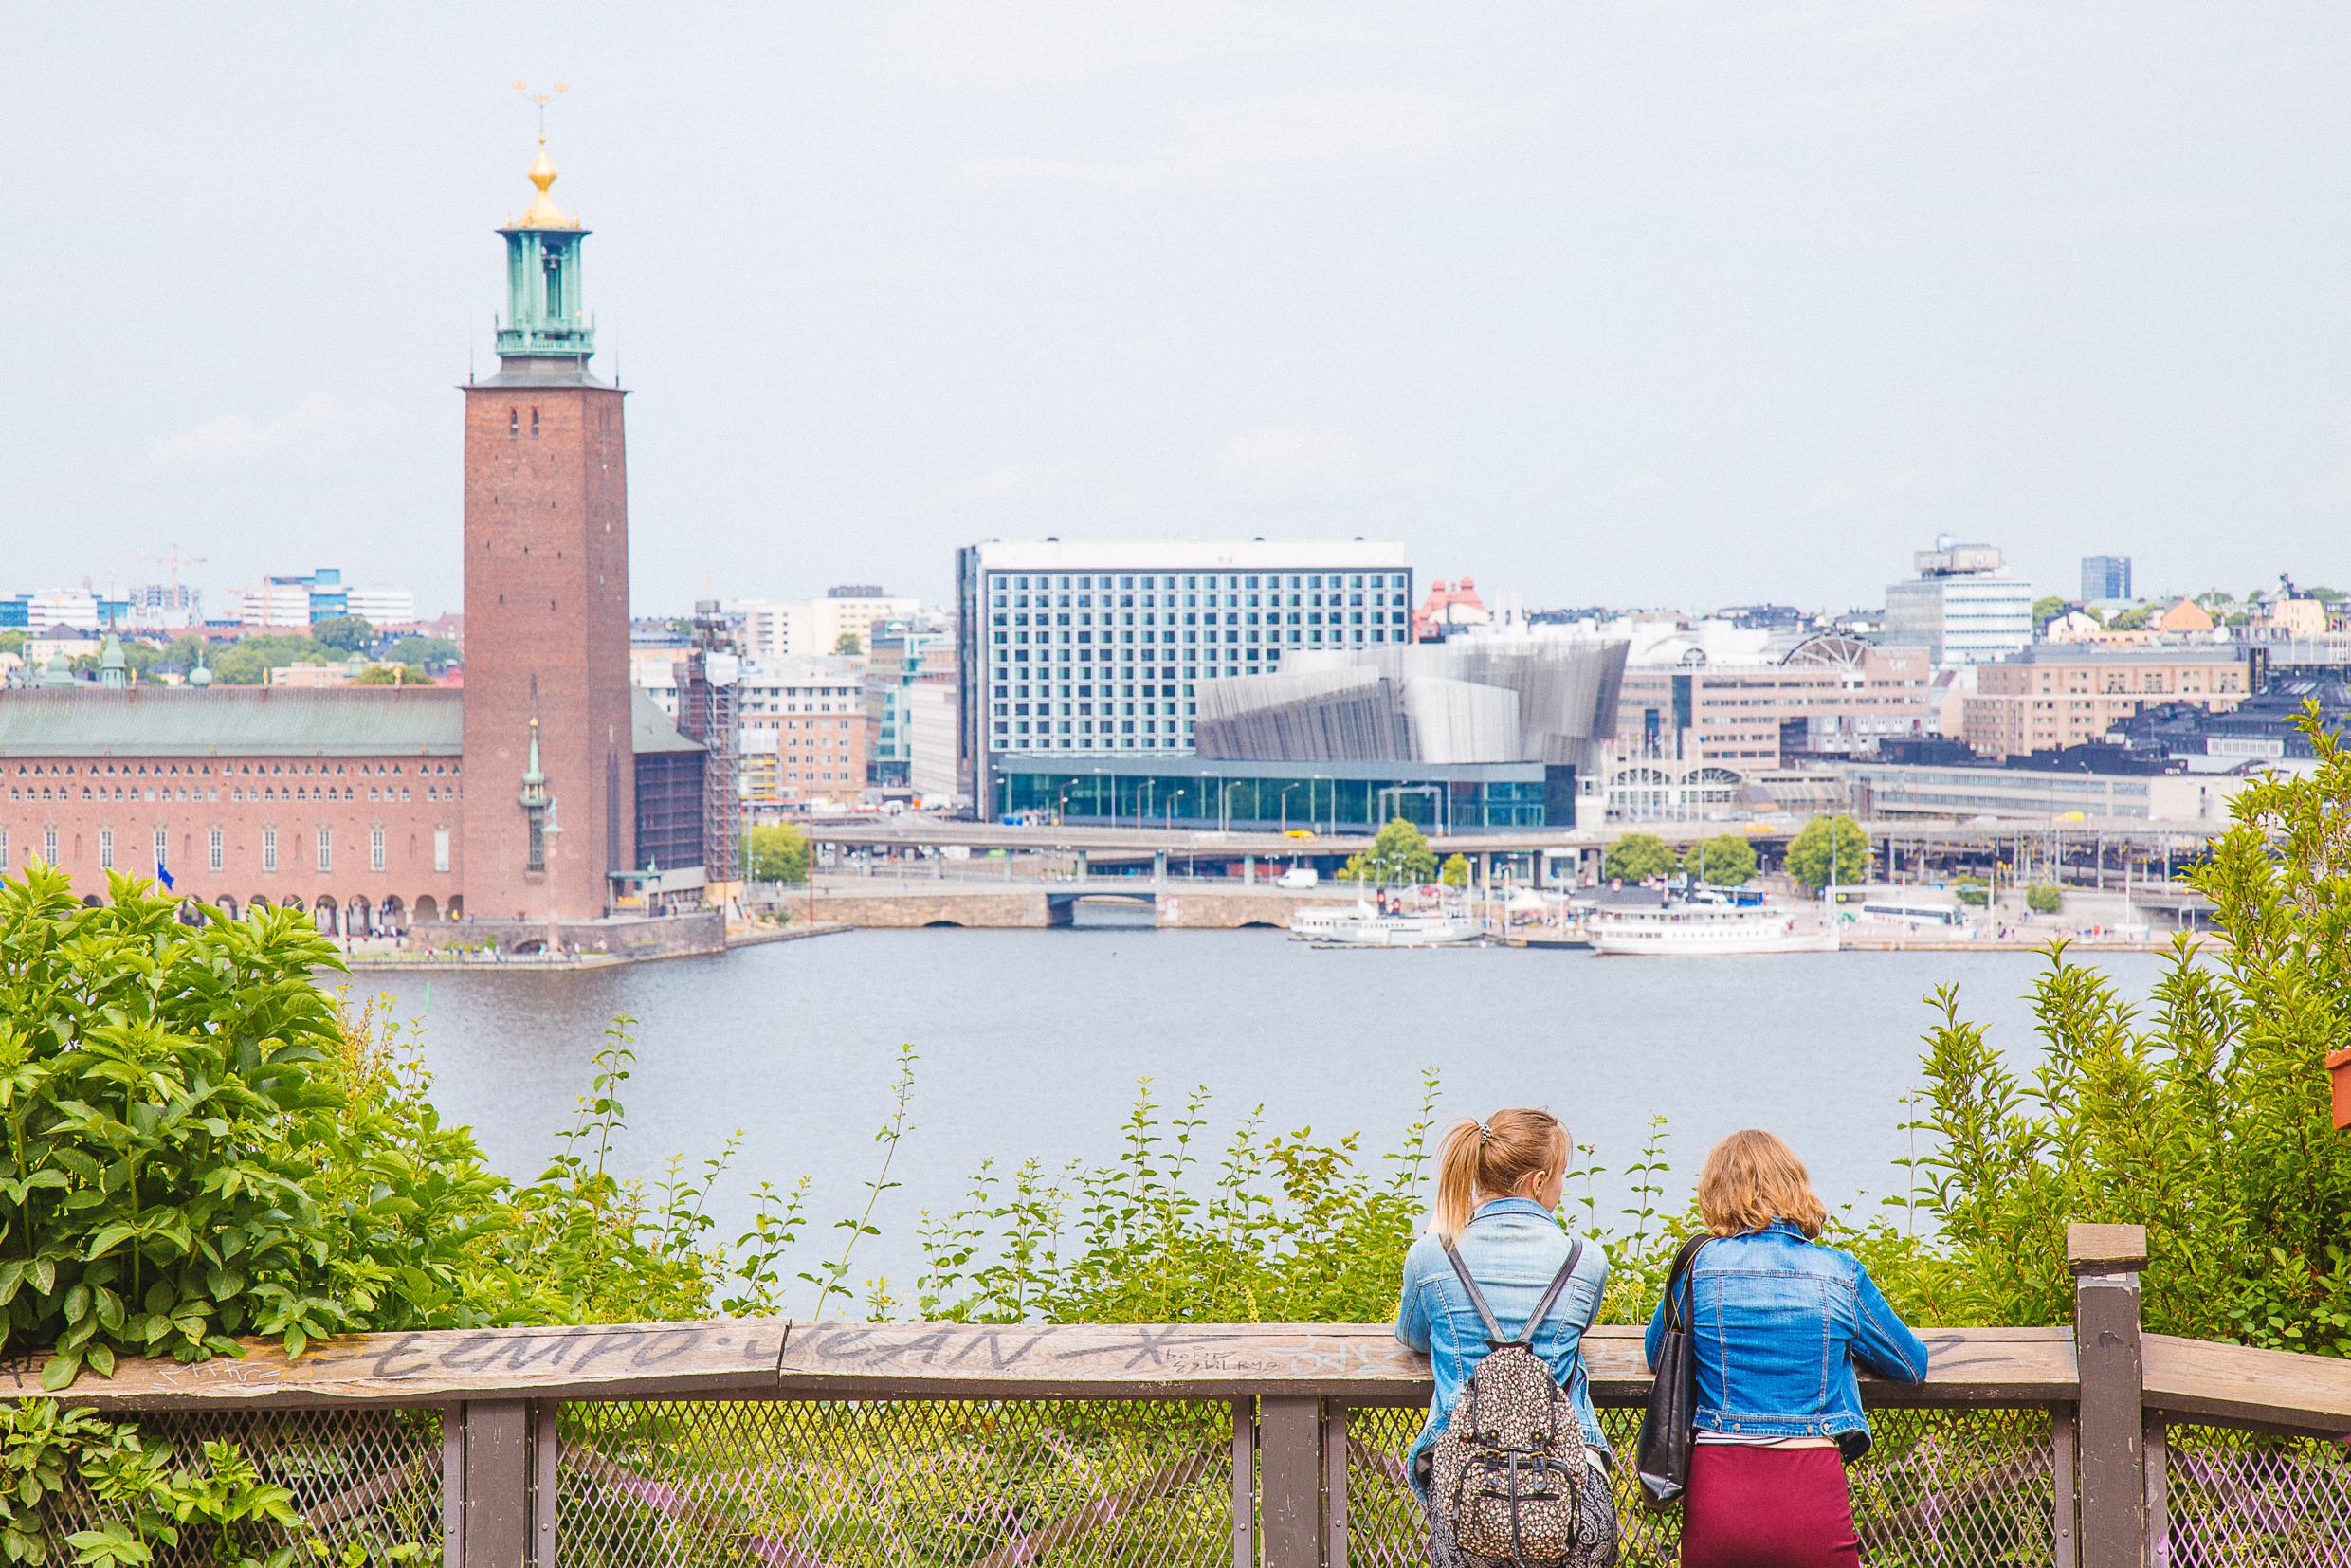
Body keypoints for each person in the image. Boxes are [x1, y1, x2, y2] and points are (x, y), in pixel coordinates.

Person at [1646, 1129, 1929, 1567]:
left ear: (1716, 1193)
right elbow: (1910, 1364)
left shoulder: (1697, 1266)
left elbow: (1657, 1355)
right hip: (1810, 1487)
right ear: (1795, 1185)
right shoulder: (1838, 1272)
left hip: (1719, 1484)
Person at [1395, 1108, 1617, 1567]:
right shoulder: (1584, 1260)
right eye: (1560, 1176)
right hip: (1565, 1475)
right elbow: (1579, 1329)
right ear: (1538, 1182)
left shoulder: (1431, 1256)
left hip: (1466, 1480)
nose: (1560, 1187)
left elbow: (1411, 1337)